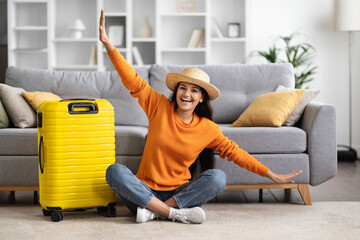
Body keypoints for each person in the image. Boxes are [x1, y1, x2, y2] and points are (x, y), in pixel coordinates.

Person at [99, 9, 302, 224]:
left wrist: (270, 174)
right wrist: (108, 44)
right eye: (183, 88)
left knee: (218, 178)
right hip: (144, 193)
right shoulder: (158, 106)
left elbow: (237, 154)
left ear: (202, 98)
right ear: (176, 91)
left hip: (179, 196)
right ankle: (172, 215)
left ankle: (156, 212)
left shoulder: (207, 128)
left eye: (194, 91)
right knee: (114, 172)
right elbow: (132, 79)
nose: (186, 94)